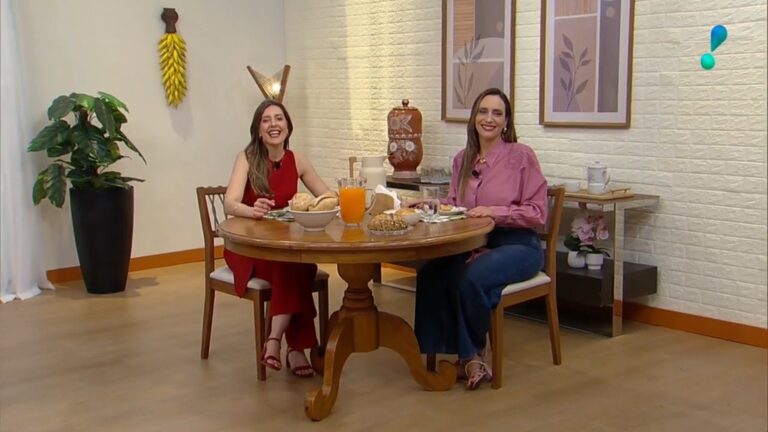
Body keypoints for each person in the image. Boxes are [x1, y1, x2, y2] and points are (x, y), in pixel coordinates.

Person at [413, 88, 548, 390]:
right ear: (474, 117)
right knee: (432, 272)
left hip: (517, 244)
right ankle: (455, 352)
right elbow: (455, 205)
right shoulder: (463, 159)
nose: (489, 119)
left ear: (506, 121)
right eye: (483, 112)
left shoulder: (521, 156)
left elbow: (538, 213)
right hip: (476, 243)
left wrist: (495, 212)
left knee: (470, 278)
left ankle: (471, 355)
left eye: (497, 113)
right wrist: (429, 205)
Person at [223, 99, 335, 378]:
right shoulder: (247, 158)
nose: (274, 125)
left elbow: (328, 195)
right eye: (266, 120)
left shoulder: (297, 160)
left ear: (288, 126)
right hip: (249, 248)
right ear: (258, 130)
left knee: (298, 263)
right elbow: (229, 203)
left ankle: (276, 342)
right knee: (294, 266)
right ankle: (292, 347)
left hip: (285, 246)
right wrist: (252, 210)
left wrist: (315, 203)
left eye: (279, 119)